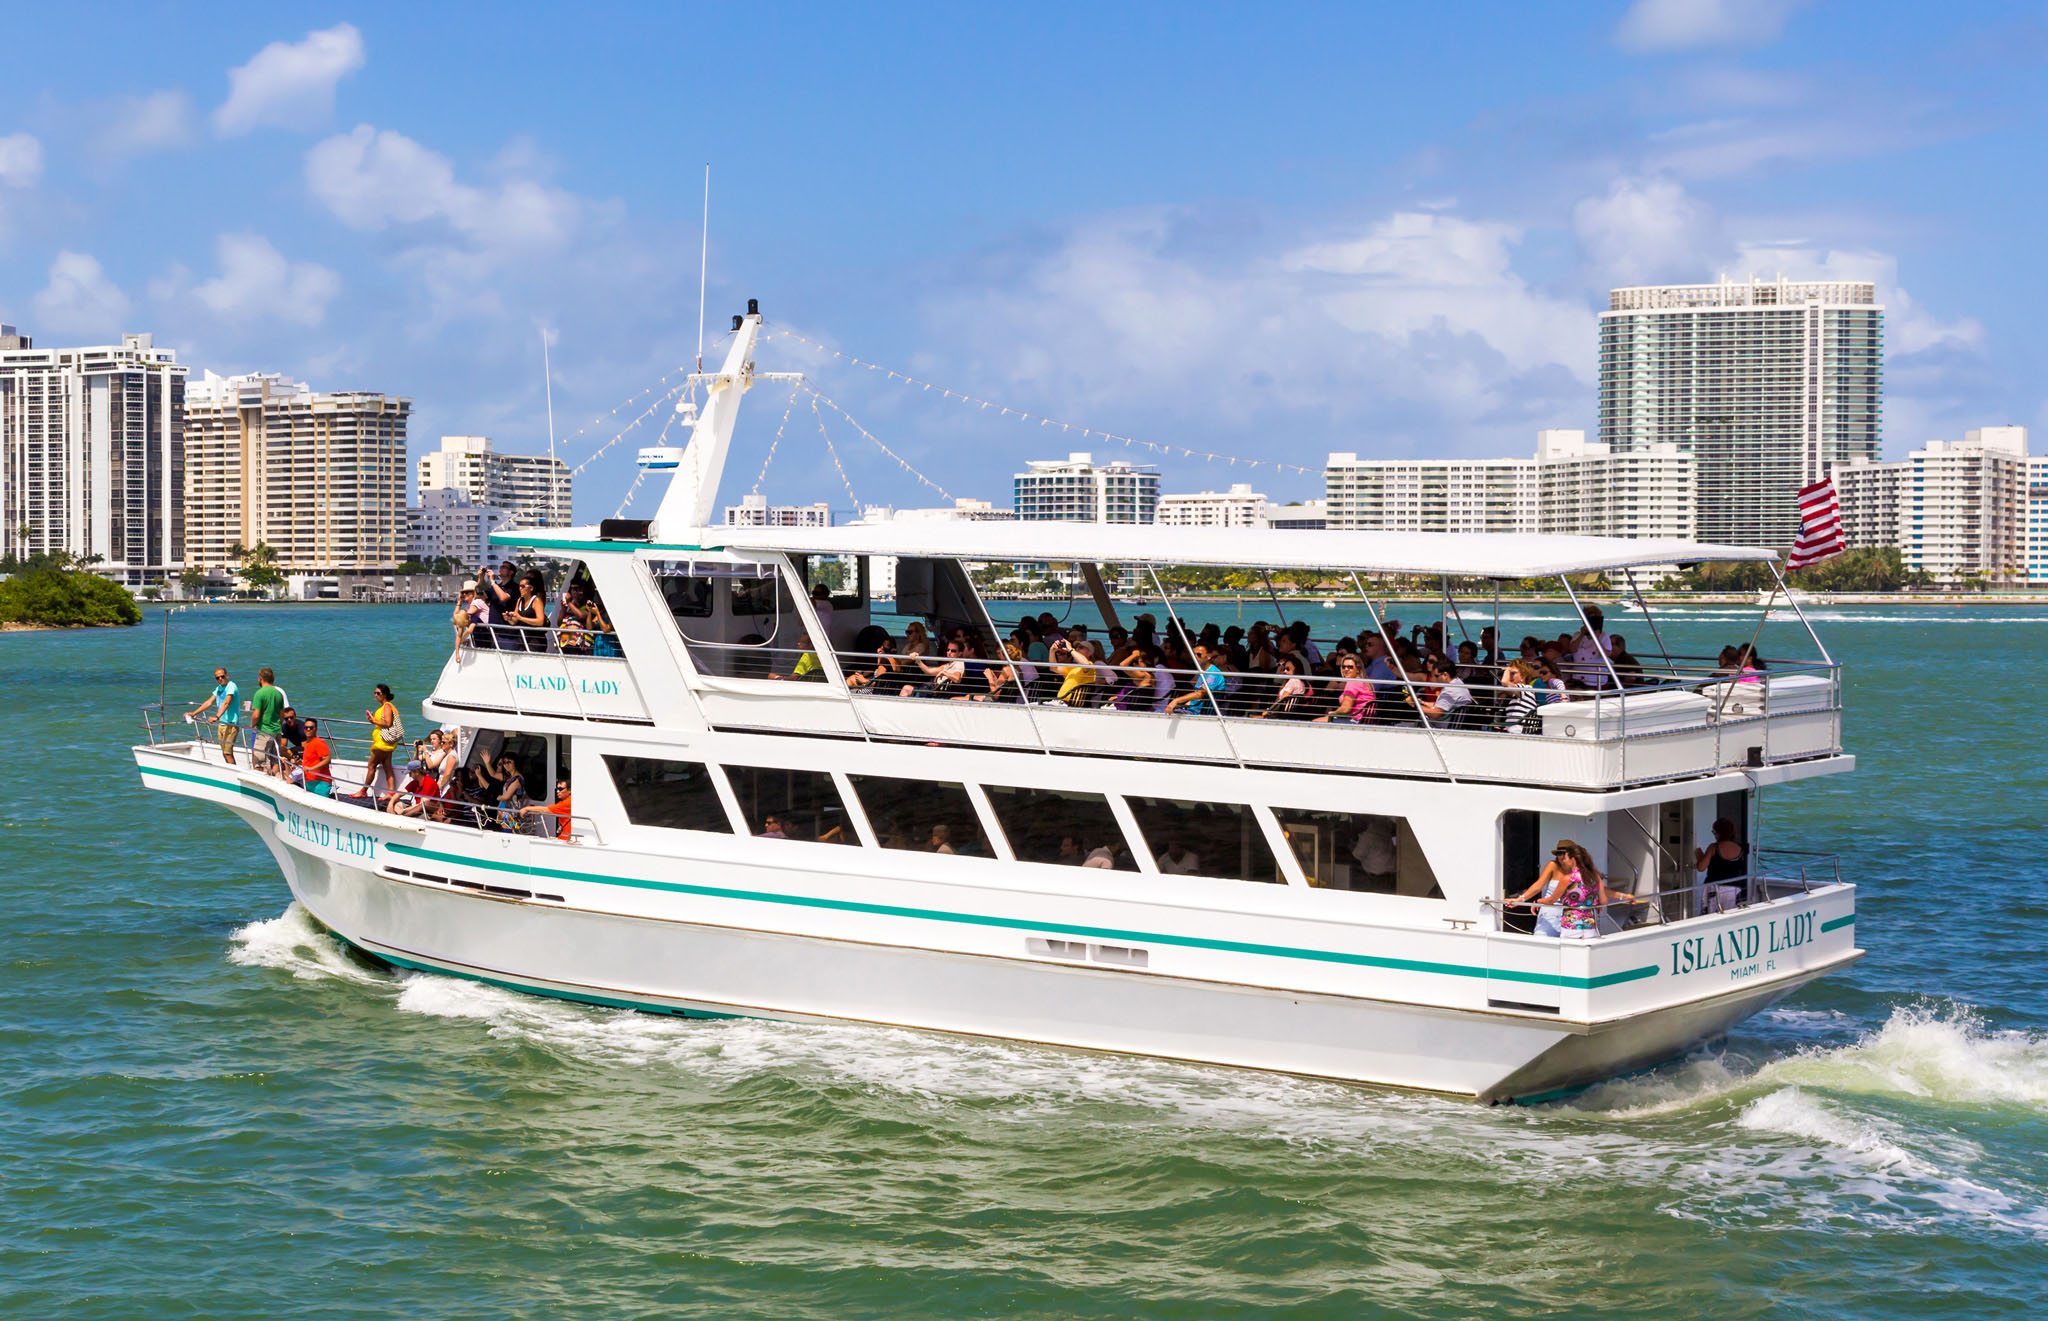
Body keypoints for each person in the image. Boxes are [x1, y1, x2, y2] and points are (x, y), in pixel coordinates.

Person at [1512, 840, 1639, 938]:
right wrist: (1521, 899)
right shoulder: (1553, 866)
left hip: (1570, 917)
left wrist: (1624, 897)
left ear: (1572, 856)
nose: (1561, 857)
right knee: (1542, 943)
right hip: (1551, 914)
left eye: (1564, 854)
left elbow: (1601, 891)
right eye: (1559, 853)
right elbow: (1538, 886)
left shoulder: (1578, 875)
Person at [187, 666, 243, 765]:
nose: (220, 679)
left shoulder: (231, 686)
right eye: (217, 678)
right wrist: (194, 713)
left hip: (231, 724)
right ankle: (230, 772)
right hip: (221, 724)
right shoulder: (219, 688)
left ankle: (233, 775)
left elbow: (227, 702)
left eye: (222, 676)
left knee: (228, 753)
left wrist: (216, 717)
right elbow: (209, 702)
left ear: (226, 676)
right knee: (224, 753)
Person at [1696, 817, 1749, 912]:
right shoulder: (1740, 849)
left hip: (1715, 889)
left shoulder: (1714, 848)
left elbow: (1701, 867)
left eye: (1714, 832)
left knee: (1710, 917)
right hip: (1734, 890)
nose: (1714, 835)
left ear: (1719, 833)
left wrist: (1698, 854)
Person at [1312, 654, 1375, 724]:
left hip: (1355, 720)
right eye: (1344, 667)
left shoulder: (1353, 682)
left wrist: (1334, 713)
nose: (1346, 669)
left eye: (1350, 667)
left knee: (1315, 722)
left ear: (1358, 670)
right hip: (1363, 720)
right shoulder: (1362, 681)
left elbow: (1346, 708)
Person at [1166, 643, 1225, 715]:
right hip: (1193, 709)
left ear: (1209, 656)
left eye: (1199, 655)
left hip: (1202, 712)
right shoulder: (1202, 671)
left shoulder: (1213, 673)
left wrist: (1176, 701)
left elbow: (1200, 694)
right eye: (1194, 655)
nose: (1195, 657)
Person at [364, 683, 401, 800]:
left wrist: (374, 721)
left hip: (382, 743)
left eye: (378, 693)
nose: (376, 695)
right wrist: (373, 720)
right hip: (386, 743)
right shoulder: (384, 707)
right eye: (374, 693)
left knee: (371, 765)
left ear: (385, 695)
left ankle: (363, 790)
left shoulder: (387, 706)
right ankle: (391, 792)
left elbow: (388, 723)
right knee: (387, 767)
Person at [1494, 660, 1542, 734]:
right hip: (1516, 728)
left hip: (1516, 729)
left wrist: (1507, 669)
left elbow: (1504, 682)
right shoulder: (1527, 690)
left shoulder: (1524, 689)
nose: (1510, 676)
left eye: (1513, 673)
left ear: (1523, 676)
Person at [300, 718, 333, 797]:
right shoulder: (307, 743)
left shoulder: (319, 742)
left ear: (316, 729)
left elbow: (327, 760)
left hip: (320, 782)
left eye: (311, 728)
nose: (308, 729)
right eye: (306, 727)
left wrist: (311, 769)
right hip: (310, 782)